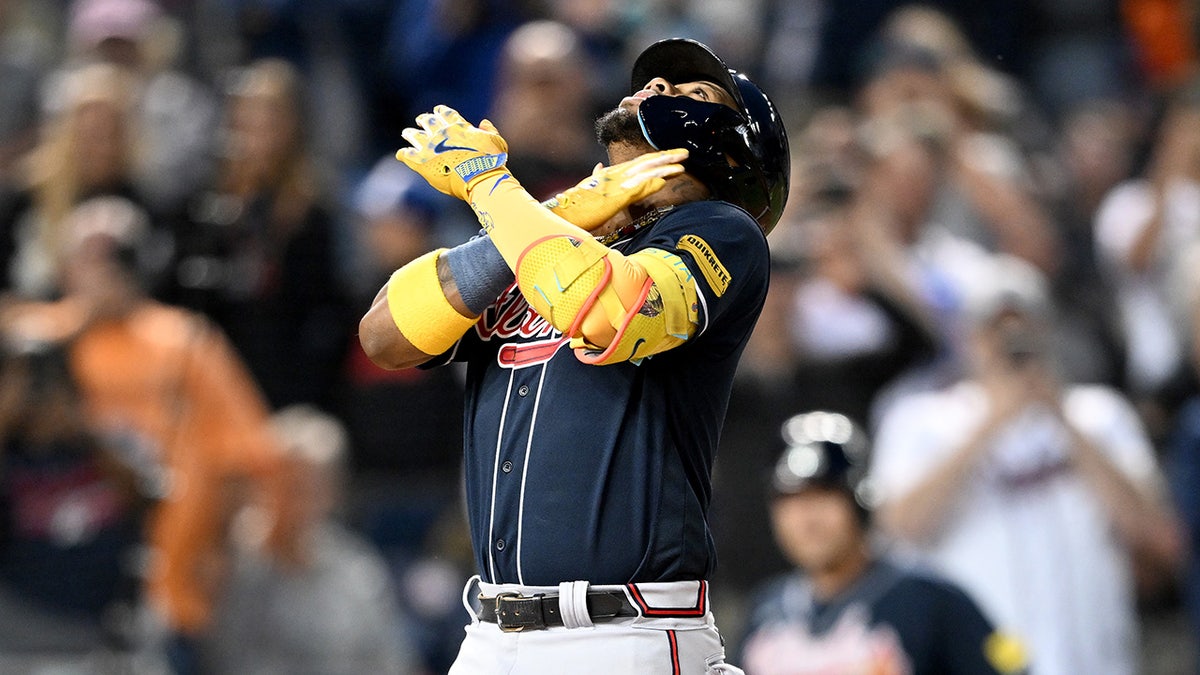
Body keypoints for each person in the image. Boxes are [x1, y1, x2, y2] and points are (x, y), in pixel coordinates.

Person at [359, 37, 789, 674]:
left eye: (694, 93)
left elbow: (604, 307)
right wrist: (563, 210)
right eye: (654, 83)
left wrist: (491, 186)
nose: (657, 90)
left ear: (733, 151)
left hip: (625, 631)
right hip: (490, 634)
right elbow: (386, 336)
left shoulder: (723, 231)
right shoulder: (546, 235)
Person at [0, 195, 284, 674]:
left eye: (117, 255)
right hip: (41, 582)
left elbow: (245, 454)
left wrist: (222, 548)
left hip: (166, 584)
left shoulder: (186, 339)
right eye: (90, 255)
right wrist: (77, 326)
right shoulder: (34, 344)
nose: (103, 270)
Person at [867, 253, 1184, 675]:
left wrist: (1058, 414)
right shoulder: (922, 419)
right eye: (993, 330)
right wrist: (993, 422)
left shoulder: (1099, 414)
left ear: (1046, 331)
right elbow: (898, 527)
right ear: (967, 339)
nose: (1008, 344)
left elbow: (1159, 540)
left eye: (1022, 328)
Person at [738, 410, 1025, 675]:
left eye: (823, 495)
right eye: (791, 501)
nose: (807, 519)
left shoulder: (930, 600)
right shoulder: (765, 612)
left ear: (860, 500)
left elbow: (1014, 669)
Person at [202, 404, 418, 675]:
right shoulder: (236, 563)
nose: (299, 501)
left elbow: (391, 658)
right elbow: (229, 660)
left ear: (333, 493)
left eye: (312, 487)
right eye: (289, 486)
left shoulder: (357, 569)